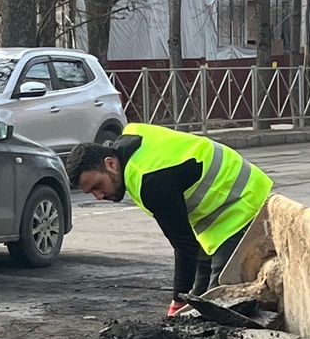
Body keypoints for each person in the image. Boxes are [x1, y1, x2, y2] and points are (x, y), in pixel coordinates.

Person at [66, 123, 272, 315]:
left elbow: (183, 245)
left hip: (241, 201)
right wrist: (185, 298)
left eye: (97, 187)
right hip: (220, 209)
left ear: (110, 164)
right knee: (198, 298)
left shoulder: (151, 179)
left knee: (220, 298)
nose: (99, 196)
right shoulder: (131, 138)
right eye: (91, 193)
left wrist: (177, 301)